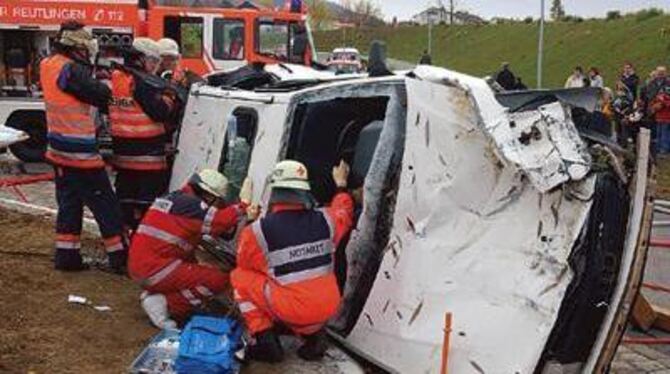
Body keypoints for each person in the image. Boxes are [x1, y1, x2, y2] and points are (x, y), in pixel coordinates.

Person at [232, 160, 354, 363]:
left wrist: (250, 221)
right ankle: (313, 336)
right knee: (304, 289)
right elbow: (344, 212)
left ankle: (266, 343)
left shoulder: (258, 231)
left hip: (294, 309)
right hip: (329, 305)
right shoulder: (328, 219)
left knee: (240, 278)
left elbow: (244, 262)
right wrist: (341, 185)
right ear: (304, 190)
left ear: (275, 190)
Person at [40, 21, 127, 273]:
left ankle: (66, 257)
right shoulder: (71, 70)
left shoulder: (48, 64)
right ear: (76, 47)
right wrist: (110, 87)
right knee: (105, 205)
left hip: (58, 150)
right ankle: (119, 258)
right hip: (80, 154)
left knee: (69, 203)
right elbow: (99, 95)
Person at [129, 169, 253, 327]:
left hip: (144, 265)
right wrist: (243, 206)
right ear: (208, 195)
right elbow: (220, 221)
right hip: (155, 269)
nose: (217, 206)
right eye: (217, 202)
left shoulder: (175, 198)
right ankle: (165, 304)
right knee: (218, 280)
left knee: (196, 269)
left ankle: (159, 294)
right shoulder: (191, 205)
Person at [109, 38, 180, 231]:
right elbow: (160, 112)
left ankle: (123, 240)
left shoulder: (116, 77)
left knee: (125, 204)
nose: (154, 67)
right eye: (153, 62)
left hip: (122, 155)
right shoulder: (142, 81)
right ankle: (142, 242)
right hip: (147, 157)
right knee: (147, 208)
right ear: (142, 60)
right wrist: (169, 95)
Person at [649, 66, 670, 154]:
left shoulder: (668, 83)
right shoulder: (653, 83)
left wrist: (662, 102)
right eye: (659, 73)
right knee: (658, 131)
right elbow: (652, 96)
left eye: (662, 73)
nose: (660, 74)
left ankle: (664, 149)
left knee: (665, 132)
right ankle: (658, 148)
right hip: (658, 113)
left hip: (666, 114)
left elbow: (667, 99)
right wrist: (653, 105)